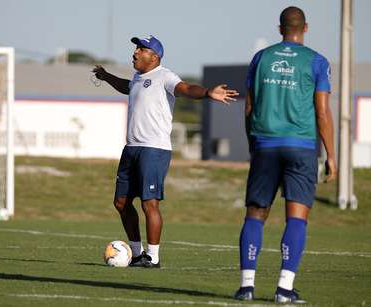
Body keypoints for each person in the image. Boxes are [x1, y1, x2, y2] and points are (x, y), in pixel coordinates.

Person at [93, 35, 238, 268]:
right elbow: (126, 87)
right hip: (131, 148)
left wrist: (208, 92)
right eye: (136, 48)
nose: (135, 52)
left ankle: (153, 257)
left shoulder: (165, 76)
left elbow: (187, 88)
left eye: (141, 48)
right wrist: (106, 76)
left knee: (149, 203)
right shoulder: (138, 78)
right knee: (121, 202)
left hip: (154, 150)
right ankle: (137, 254)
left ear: (155, 56)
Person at [233, 6, 337, 303]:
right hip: (301, 147)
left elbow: (249, 107)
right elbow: (322, 111)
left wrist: (253, 144)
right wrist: (331, 155)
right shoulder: (317, 61)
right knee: (296, 217)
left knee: (255, 214)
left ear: (280, 29)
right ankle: (284, 289)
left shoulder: (261, 57)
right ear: (305, 27)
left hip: (265, 144)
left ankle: (246, 287)